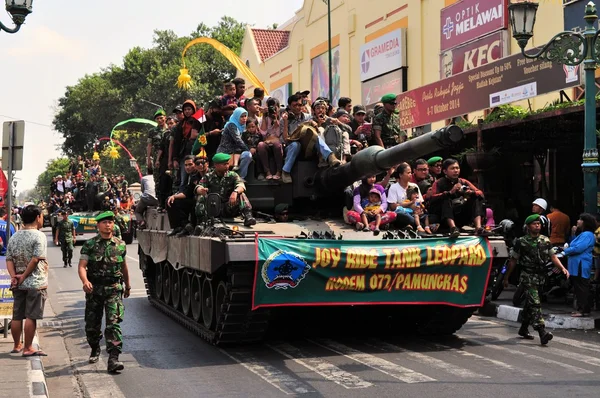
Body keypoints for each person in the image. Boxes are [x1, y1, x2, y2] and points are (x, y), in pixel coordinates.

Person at [78, 211, 131, 373]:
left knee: (113, 324)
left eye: (110, 222)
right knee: (92, 327)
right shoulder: (90, 245)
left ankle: (113, 359)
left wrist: (127, 285)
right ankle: (95, 347)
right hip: (95, 290)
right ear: (98, 225)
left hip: (113, 289)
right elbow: (82, 266)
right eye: (104, 222)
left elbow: (124, 267)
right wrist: (85, 281)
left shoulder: (120, 244)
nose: (108, 225)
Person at [504, 214, 568, 344]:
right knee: (536, 303)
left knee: (530, 305)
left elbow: (553, 257)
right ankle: (542, 332)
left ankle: (523, 329)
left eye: (538, 223)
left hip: (540, 277)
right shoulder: (521, 242)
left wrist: (562, 268)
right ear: (528, 226)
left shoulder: (545, 240)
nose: (537, 225)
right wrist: (506, 278)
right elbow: (513, 261)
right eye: (534, 223)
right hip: (527, 277)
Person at [5, 205, 48, 357]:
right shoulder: (38, 236)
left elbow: (9, 259)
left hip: (17, 283)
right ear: (37, 217)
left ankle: (17, 345)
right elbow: (36, 259)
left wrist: (14, 277)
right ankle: (28, 347)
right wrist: (24, 276)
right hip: (35, 282)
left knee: (17, 316)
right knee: (31, 316)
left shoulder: (15, 236)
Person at [195, 153, 256, 228]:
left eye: (227, 163)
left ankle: (248, 216)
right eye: (224, 164)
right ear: (216, 165)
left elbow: (241, 185)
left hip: (229, 206)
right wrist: (201, 190)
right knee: (201, 196)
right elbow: (199, 186)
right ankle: (201, 221)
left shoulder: (232, 175)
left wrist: (235, 192)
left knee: (241, 194)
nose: (227, 165)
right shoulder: (208, 176)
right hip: (214, 207)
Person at [429, 158, 486, 237]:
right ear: (445, 171)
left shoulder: (463, 181)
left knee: (476, 198)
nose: (456, 170)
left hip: (461, 214)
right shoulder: (438, 182)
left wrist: (470, 192)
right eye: (452, 168)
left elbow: (481, 194)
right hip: (444, 217)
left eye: (457, 168)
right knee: (446, 199)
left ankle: (478, 228)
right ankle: (453, 228)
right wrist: (450, 192)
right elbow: (432, 198)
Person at [564, 213, 596, 317]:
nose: (578, 221)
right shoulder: (583, 234)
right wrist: (574, 233)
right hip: (577, 264)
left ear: (585, 223)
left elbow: (578, 248)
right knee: (578, 287)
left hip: (580, 265)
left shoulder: (587, 234)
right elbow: (574, 244)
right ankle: (581, 308)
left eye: (580, 220)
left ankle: (584, 310)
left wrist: (565, 251)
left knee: (581, 287)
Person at [166, 155, 201, 237]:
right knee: (171, 201)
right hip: (190, 198)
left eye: (190, 165)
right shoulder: (190, 176)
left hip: (199, 201)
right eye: (186, 165)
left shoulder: (199, 175)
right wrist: (174, 196)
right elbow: (186, 192)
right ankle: (179, 227)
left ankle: (188, 226)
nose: (187, 167)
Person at [216, 107, 253, 180]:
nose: (244, 118)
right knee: (247, 152)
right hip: (226, 152)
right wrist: (247, 149)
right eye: (241, 116)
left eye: (245, 116)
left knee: (247, 155)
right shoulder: (231, 125)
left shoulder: (242, 126)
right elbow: (238, 140)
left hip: (236, 153)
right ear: (236, 116)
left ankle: (240, 177)